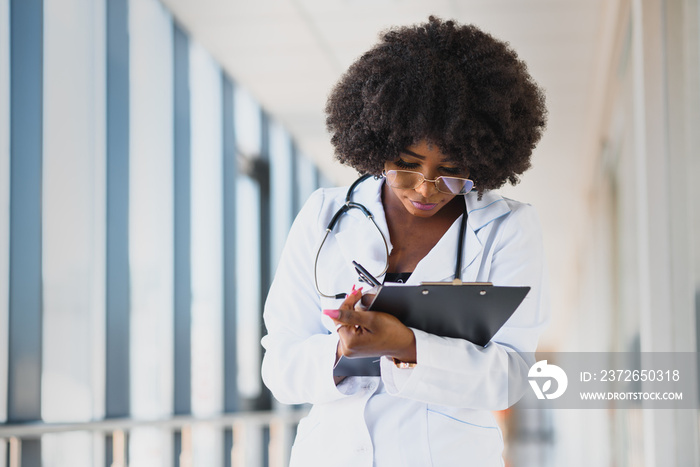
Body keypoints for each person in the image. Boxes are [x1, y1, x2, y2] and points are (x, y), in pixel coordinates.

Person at [261, 16, 549, 466]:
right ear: (378, 143)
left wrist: (407, 346)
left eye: (451, 170)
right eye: (407, 164)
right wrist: (340, 350)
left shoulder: (507, 228)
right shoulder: (323, 214)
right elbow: (280, 366)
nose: (424, 188)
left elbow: (511, 376)